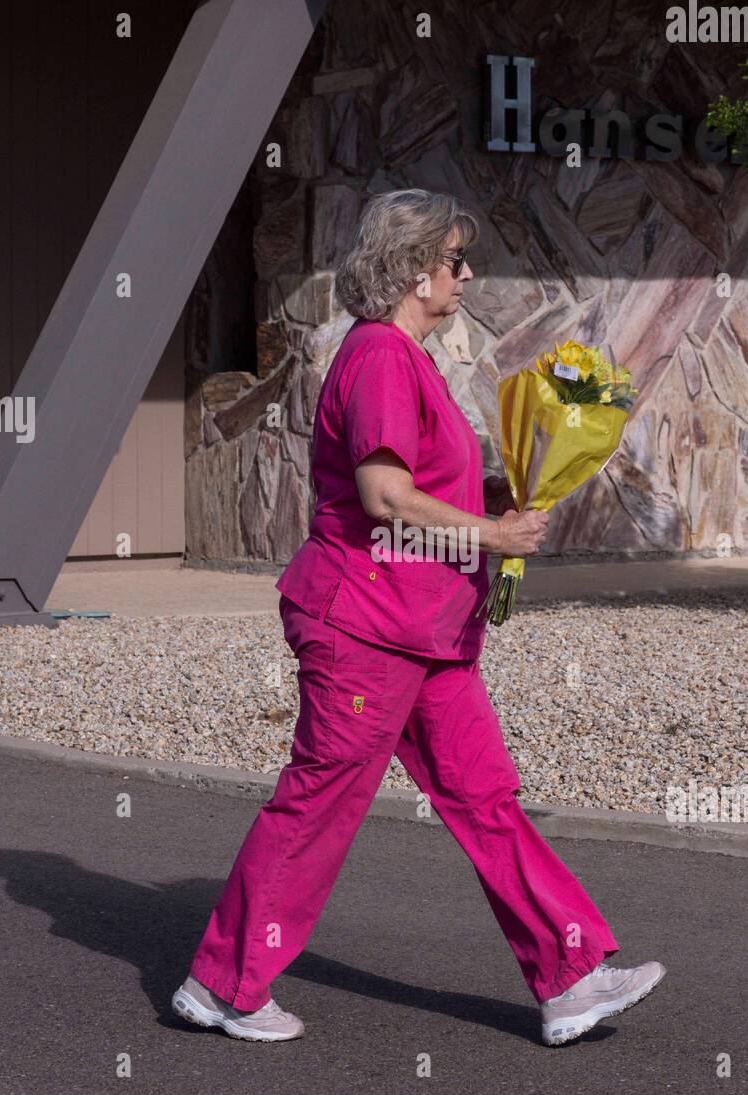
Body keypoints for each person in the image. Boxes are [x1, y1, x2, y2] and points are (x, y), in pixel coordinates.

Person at [173, 187, 664, 1047]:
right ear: (413, 271)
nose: (467, 276)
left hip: (427, 633)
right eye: (455, 262)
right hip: (364, 626)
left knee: (488, 800)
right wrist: (492, 529)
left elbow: (421, 486)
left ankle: (573, 979)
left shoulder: (409, 360)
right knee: (320, 802)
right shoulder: (379, 358)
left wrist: (499, 496)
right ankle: (224, 987)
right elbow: (383, 494)